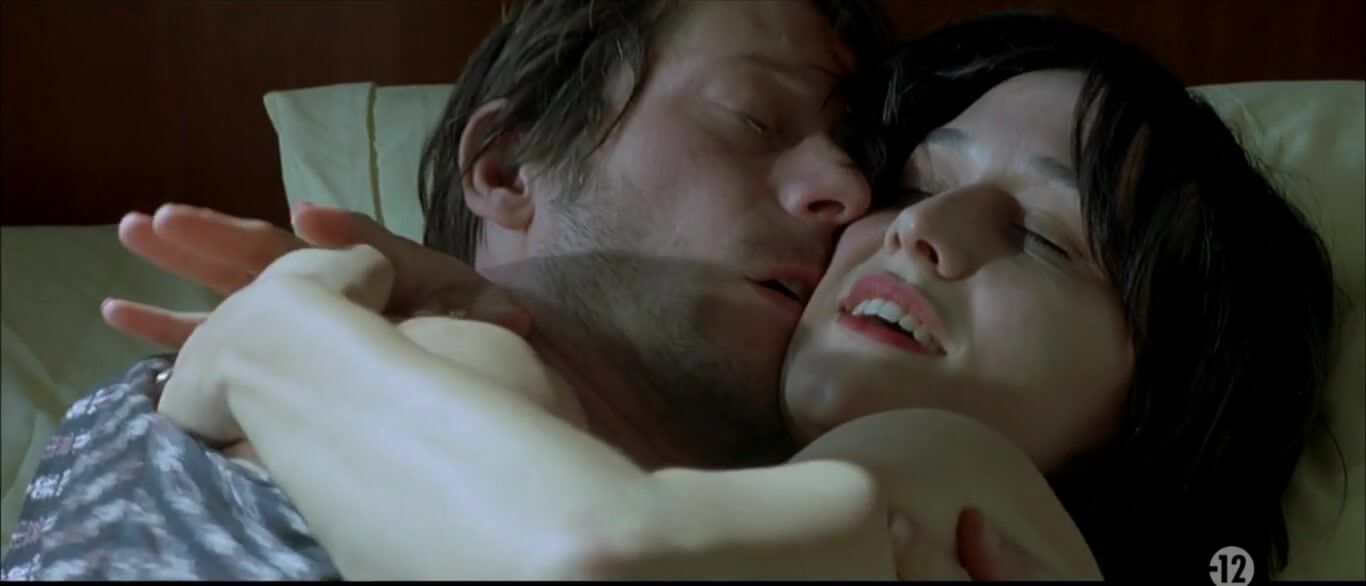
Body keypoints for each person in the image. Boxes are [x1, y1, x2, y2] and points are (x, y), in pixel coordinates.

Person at [72, 11, 1340, 581]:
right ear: (506, 168)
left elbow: (593, 556)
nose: (874, 210)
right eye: (754, 120)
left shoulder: (944, 473)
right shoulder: (418, 368)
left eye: (1054, 240)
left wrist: (287, 336)